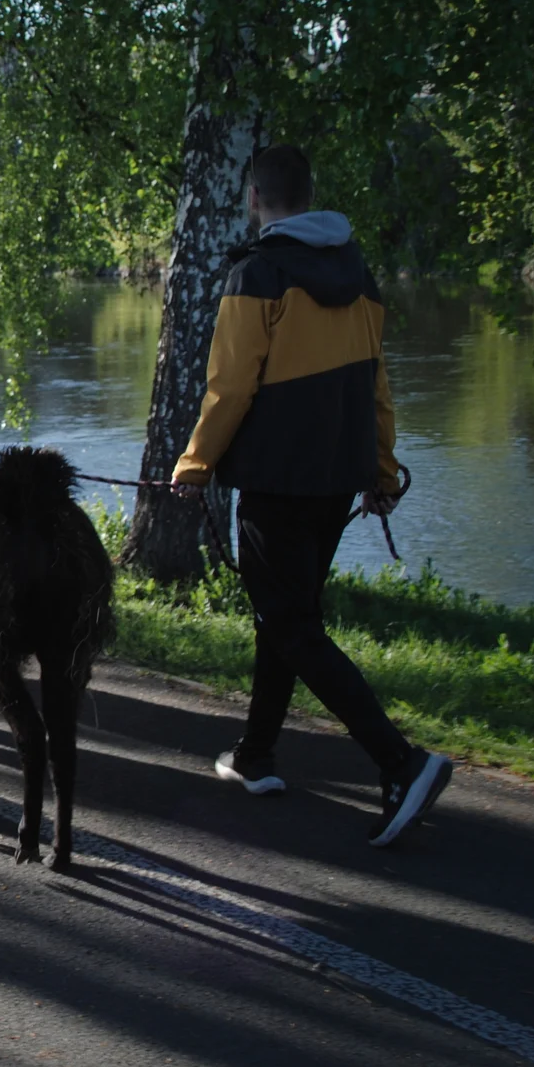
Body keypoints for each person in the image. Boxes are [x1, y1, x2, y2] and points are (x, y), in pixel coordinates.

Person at [172, 143, 451, 848]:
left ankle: (402, 762)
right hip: (335, 479)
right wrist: (382, 473)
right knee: (287, 614)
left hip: (273, 479)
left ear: (255, 197)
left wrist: (195, 461)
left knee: (291, 623)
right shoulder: (361, 276)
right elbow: (377, 389)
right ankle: (256, 754)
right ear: (311, 193)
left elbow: (230, 387)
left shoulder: (256, 273)